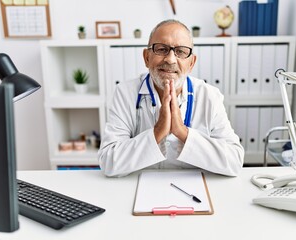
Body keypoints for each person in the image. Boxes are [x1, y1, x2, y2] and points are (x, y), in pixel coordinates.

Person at [98, 19, 244, 177]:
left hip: (194, 188)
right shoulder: (125, 93)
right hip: (138, 186)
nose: (170, 59)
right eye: (161, 49)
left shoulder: (209, 96)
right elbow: (108, 162)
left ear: (191, 63)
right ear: (147, 57)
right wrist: (158, 132)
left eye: (181, 51)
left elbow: (234, 162)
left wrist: (182, 132)